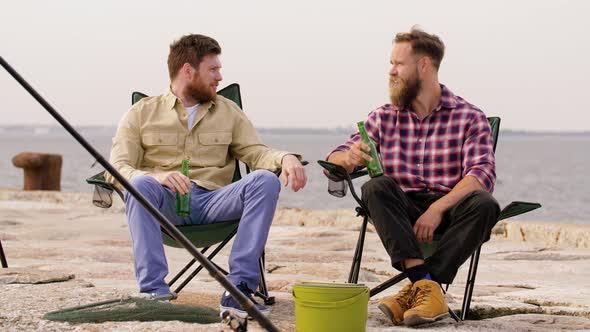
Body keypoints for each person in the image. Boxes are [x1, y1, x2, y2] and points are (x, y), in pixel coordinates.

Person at [106, 34, 307, 318]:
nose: (219, 77)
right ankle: (153, 293)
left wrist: (285, 157)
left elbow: (256, 152)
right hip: (165, 206)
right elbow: (117, 168)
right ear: (188, 71)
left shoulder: (228, 111)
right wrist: (158, 177)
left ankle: (238, 290)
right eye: (213, 70)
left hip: (215, 202)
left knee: (265, 180)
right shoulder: (141, 113)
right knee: (138, 184)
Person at [327, 27, 500, 327]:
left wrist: (437, 208)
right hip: (401, 211)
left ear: (424, 66)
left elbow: (481, 174)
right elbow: (336, 157)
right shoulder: (383, 116)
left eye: (398, 64)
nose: (390, 71)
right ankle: (426, 284)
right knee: (376, 187)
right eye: (391, 63)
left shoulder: (469, 116)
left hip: (449, 211)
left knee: (485, 204)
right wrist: (348, 158)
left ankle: (416, 289)